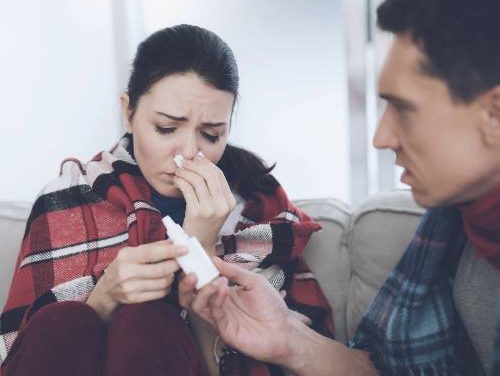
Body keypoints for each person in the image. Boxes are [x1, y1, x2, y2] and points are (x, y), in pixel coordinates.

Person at [179, 0, 500, 375]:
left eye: (404, 109)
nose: (381, 137)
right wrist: (291, 340)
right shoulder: (460, 220)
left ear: (494, 113)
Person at [0, 24, 333, 376]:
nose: (188, 153)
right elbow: (25, 349)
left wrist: (201, 249)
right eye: (166, 129)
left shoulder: (258, 208)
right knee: (62, 321)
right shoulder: (69, 197)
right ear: (128, 113)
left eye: (210, 134)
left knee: (146, 321)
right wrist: (105, 297)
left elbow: (269, 356)